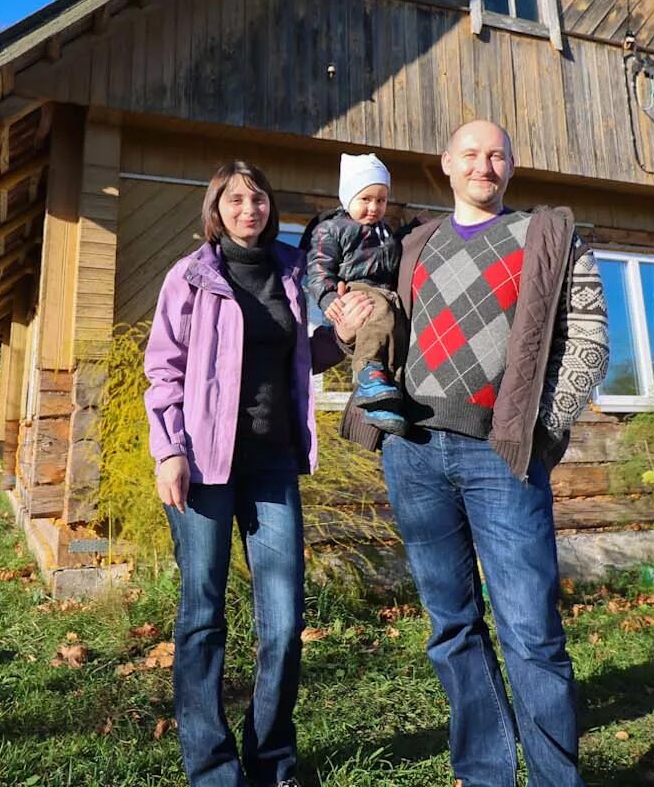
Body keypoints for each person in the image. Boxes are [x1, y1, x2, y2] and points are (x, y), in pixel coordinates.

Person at [328, 119, 610, 787]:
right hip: (414, 453)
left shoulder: (549, 236)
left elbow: (590, 340)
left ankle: (553, 779)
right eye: (471, 154)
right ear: (447, 164)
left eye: (497, 155)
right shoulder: (413, 244)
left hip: (501, 456)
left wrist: (542, 430)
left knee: (531, 631)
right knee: (451, 626)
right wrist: (350, 326)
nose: (485, 164)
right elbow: (380, 328)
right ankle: (485, 773)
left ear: (511, 166)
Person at [144, 159, 374, 787]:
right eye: (237, 200)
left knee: (282, 620)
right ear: (216, 209)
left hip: (273, 465)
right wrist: (169, 450)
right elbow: (163, 371)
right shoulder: (190, 278)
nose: (250, 209)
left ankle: (272, 760)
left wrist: (346, 336)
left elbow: (308, 354)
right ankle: (214, 768)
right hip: (203, 469)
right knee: (202, 618)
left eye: (260, 199)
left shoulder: (293, 271)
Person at [303, 152, 409, 433]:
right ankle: (369, 372)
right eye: (365, 199)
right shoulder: (333, 228)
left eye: (381, 200)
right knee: (380, 315)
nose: (374, 207)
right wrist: (327, 298)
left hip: (384, 291)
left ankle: (382, 398)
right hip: (358, 289)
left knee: (394, 328)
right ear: (348, 197)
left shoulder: (385, 232)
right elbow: (318, 267)